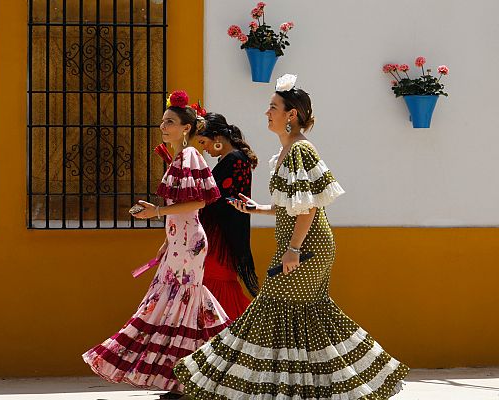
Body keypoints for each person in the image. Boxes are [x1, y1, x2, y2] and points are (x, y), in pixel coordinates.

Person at [174, 75, 409, 399]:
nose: (267, 112)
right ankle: (330, 386)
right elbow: (294, 203)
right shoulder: (287, 151)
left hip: (307, 248)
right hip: (304, 247)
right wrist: (259, 209)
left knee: (270, 311)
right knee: (310, 316)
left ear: (291, 115)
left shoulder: (300, 150)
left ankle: (247, 386)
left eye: (273, 107)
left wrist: (294, 249)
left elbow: (309, 207)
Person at [83, 90, 229, 399]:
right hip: (181, 242)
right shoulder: (179, 156)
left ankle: (183, 374)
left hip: (188, 244)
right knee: (182, 303)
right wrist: (167, 239)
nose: (164, 126)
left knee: (176, 303)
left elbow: (199, 201)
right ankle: (200, 371)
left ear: (186, 127)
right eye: (163, 121)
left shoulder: (189, 155)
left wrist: (157, 212)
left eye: (171, 122)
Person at [195, 112, 260, 319]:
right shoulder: (231, 159)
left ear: (217, 138)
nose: (203, 148)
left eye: (204, 142)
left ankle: (246, 336)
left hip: (222, 238)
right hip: (219, 235)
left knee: (219, 288)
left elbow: (224, 200)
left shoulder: (235, 160)